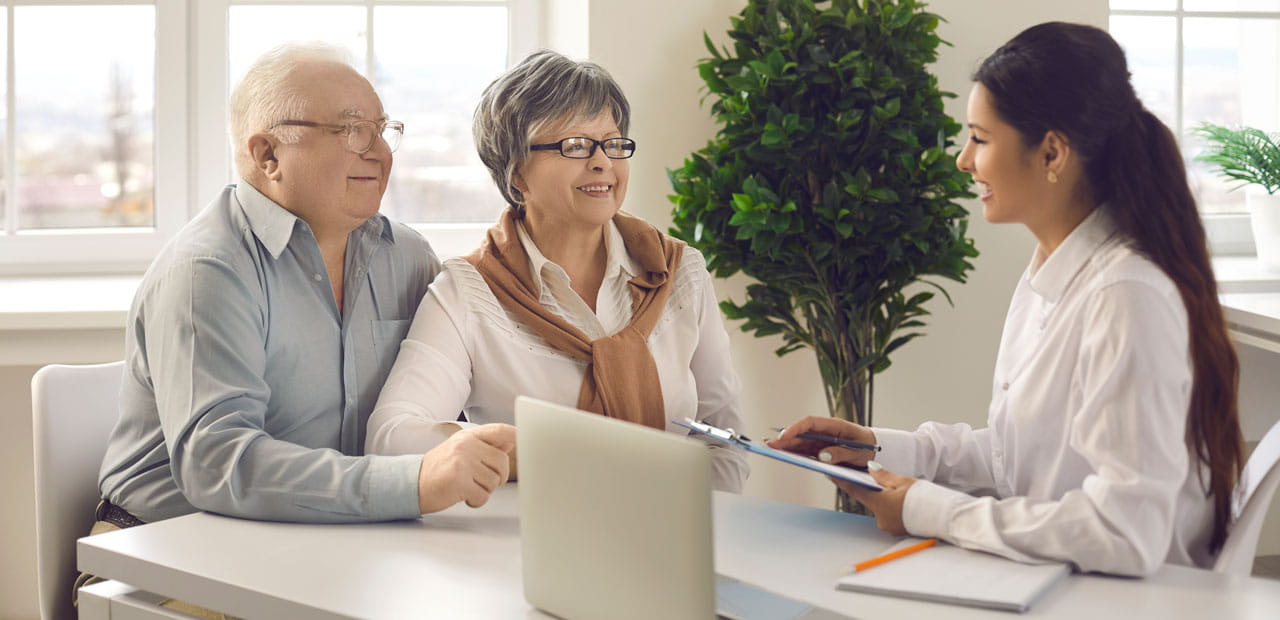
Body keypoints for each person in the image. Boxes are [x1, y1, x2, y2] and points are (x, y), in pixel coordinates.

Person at [771, 22, 1243, 577]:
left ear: (1052, 153)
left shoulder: (1125, 295)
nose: (963, 161)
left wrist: (927, 509)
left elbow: (1124, 532)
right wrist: (879, 449)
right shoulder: (1053, 273)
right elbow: (1021, 458)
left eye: (981, 138)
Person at [95, 42, 517, 535]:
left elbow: (437, 405)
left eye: (382, 131)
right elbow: (218, 464)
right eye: (352, 130)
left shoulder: (407, 257)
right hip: (164, 546)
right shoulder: (207, 270)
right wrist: (414, 481)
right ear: (267, 154)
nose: (379, 153)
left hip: (324, 537)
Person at [366, 50, 749, 491]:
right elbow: (391, 437)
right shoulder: (468, 291)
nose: (603, 161)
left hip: (682, 539)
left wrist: (701, 527)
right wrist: (530, 453)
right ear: (517, 175)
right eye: (575, 145)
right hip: (525, 545)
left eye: (613, 142)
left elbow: (726, 439)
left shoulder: (680, 273)